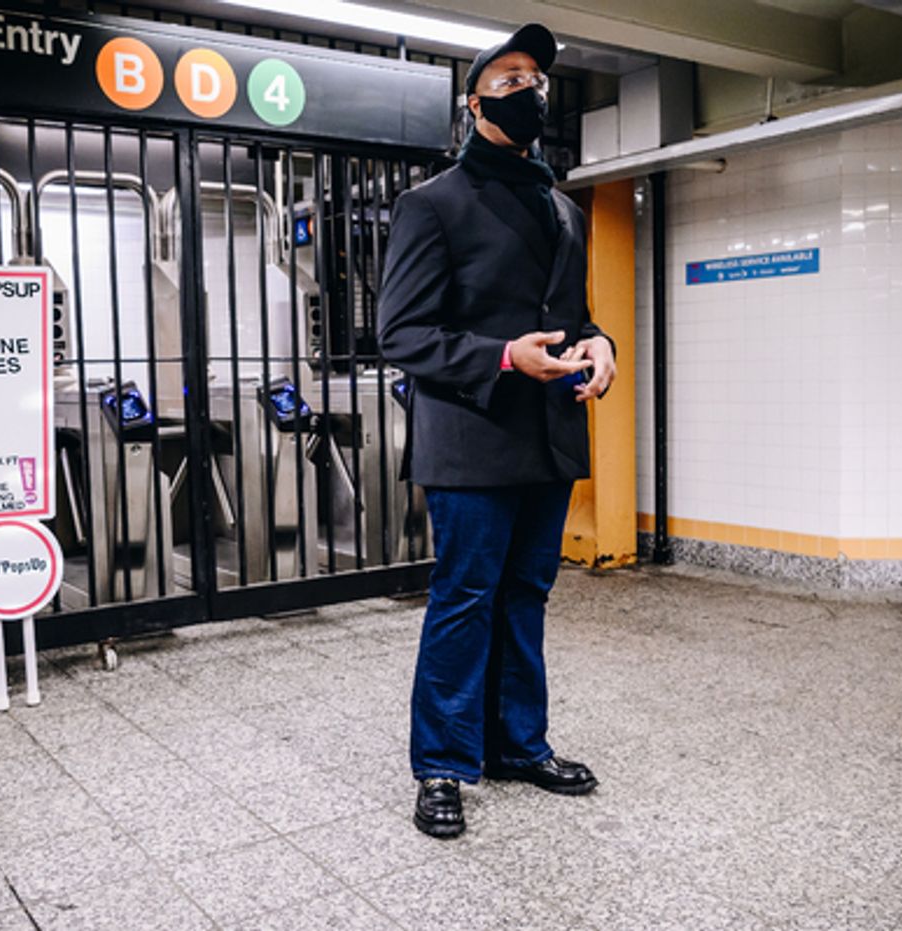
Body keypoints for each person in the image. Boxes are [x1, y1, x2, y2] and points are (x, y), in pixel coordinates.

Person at [377, 22, 618, 839]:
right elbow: (401, 333)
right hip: (473, 435)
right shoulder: (431, 204)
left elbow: (577, 316)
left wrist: (603, 347)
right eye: (510, 80)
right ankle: (442, 764)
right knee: (464, 598)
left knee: (526, 596)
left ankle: (519, 743)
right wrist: (505, 357)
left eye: (537, 80)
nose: (530, 92)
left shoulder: (561, 206)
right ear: (474, 102)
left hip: (548, 438)